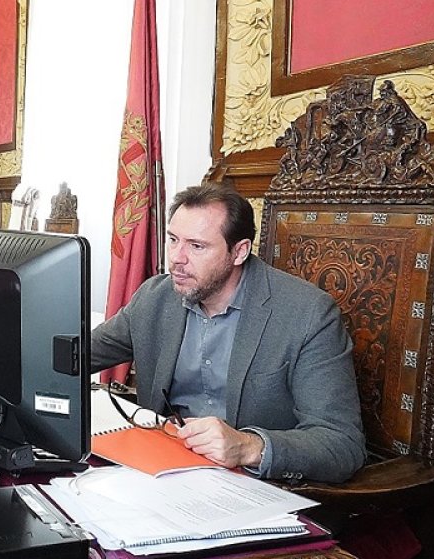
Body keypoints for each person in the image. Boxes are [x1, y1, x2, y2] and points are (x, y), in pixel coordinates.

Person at [90, 183, 365, 484]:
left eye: (197, 246)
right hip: (163, 470)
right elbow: (81, 354)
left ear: (239, 251)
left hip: (256, 486)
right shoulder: (156, 297)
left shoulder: (308, 314)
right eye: (173, 240)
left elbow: (342, 443)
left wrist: (249, 447)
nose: (177, 259)